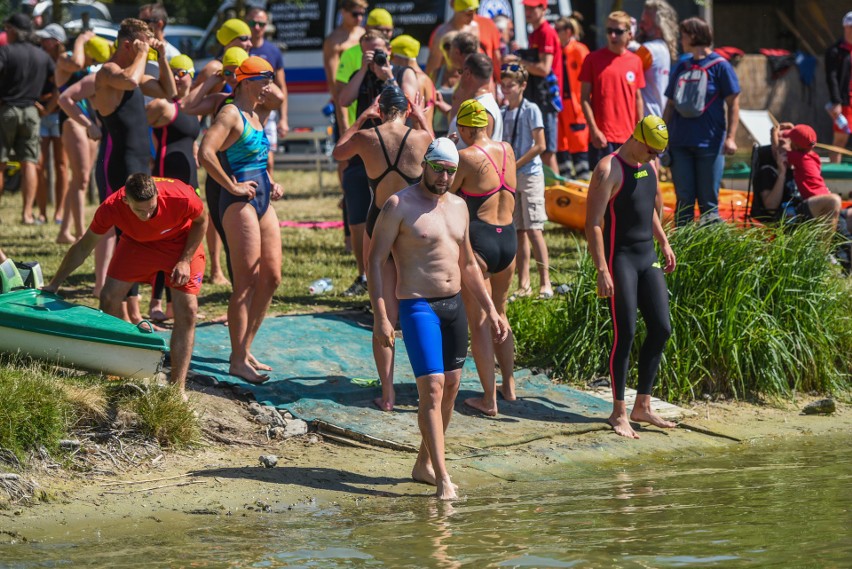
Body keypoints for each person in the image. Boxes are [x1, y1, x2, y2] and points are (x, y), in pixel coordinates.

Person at [368, 137, 508, 500]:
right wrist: (382, 316)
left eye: (451, 171)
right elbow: (375, 261)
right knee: (430, 389)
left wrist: (491, 309)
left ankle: (424, 464)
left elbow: (468, 266)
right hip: (418, 307)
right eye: (439, 168)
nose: (444, 176)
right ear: (425, 164)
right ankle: (444, 478)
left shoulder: (460, 207)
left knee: (451, 388)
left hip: (454, 307)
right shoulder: (399, 205)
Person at [43, 174, 207, 402]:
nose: (147, 215)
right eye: (140, 211)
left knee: (188, 310)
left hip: (179, 243)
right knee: (109, 296)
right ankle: (112, 370)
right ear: (125, 201)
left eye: (151, 208)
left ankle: (176, 390)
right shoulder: (110, 207)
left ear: (158, 195)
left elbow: (201, 221)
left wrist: (185, 260)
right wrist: (54, 283)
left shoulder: (180, 196)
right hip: (137, 245)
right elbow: (83, 247)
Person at [332, 85, 433, 412]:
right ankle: (427, 389)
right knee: (419, 307)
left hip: (378, 220)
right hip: (410, 224)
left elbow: (338, 152)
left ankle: (387, 395)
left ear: (380, 109)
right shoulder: (419, 139)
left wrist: (362, 117)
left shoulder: (367, 137)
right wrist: (421, 120)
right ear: (406, 109)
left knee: (383, 313)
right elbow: (443, 152)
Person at [585, 115, 677, 439]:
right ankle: (618, 412)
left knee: (662, 328)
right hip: (619, 259)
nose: (655, 159)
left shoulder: (648, 167)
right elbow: (593, 223)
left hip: (646, 256)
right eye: (652, 152)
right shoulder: (608, 169)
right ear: (637, 138)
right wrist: (601, 269)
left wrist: (663, 242)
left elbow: (649, 209)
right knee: (626, 332)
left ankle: (643, 405)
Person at [198, 56, 284, 384]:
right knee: (246, 281)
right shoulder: (230, 113)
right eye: (266, 80)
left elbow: (258, 158)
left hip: (261, 196)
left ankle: (245, 348)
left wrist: (271, 182)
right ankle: (236, 359)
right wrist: (231, 184)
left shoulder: (255, 113)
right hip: (238, 202)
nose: (270, 87)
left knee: (272, 276)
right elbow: (205, 153)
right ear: (247, 80)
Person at [92, 18, 177, 324]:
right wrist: (142, 53)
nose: (146, 50)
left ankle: (133, 310)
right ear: (127, 45)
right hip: (120, 163)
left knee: (141, 232)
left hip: (141, 163)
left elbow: (169, 91)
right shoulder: (108, 72)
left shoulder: (134, 74)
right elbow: (129, 80)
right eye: (140, 45)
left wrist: (162, 56)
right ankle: (127, 312)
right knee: (125, 234)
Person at [337, 30, 419, 297]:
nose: (375, 56)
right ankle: (365, 275)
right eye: (369, 52)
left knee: (400, 214)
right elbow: (343, 99)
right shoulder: (361, 74)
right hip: (367, 148)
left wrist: (388, 76)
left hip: (397, 150)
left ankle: (400, 280)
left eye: (379, 50)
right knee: (360, 214)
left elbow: (407, 103)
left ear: (390, 49)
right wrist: (363, 69)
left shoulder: (403, 72)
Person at [450, 99, 517, 416]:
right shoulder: (508, 150)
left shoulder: (466, 156)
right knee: (500, 312)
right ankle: (509, 385)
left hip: (481, 244)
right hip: (509, 242)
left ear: (463, 128)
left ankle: (489, 399)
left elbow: (444, 193)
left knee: (478, 323)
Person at [663, 17, 740, 227]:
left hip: (710, 144)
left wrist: (731, 138)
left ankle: (710, 254)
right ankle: (681, 253)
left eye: (684, 35)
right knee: (684, 202)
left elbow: (734, 104)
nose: (681, 39)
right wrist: (662, 138)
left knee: (708, 203)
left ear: (694, 36)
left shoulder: (721, 66)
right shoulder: (682, 64)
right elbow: (670, 105)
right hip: (680, 144)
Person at [146, 54, 202, 322]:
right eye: (174, 73)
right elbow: (134, 128)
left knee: (184, 242)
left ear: (192, 75)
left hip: (190, 180)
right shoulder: (163, 105)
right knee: (162, 241)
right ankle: (155, 301)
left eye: (184, 73)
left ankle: (173, 304)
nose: (179, 78)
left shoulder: (192, 108)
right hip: (166, 180)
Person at [500, 64, 553, 300]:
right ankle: (524, 284)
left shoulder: (531, 109)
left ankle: (546, 282)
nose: (505, 90)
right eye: (503, 85)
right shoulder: (502, 112)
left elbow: (540, 145)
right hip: (512, 175)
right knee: (519, 231)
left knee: (534, 229)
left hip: (529, 173)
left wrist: (516, 163)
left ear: (522, 86)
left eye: (510, 85)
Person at [0, 13, 56, 225]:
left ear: (13, 30)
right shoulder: (42, 56)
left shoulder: (5, 52)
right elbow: (58, 85)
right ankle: (27, 214)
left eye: (6, 28)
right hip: (32, 112)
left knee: (1, 163)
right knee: (29, 163)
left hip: (7, 110)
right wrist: (48, 109)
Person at [55, 32, 109, 245]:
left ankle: (64, 232)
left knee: (79, 179)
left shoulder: (91, 67)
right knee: (82, 178)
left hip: (90, 124)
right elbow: (76, 61)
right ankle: (80, 235)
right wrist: (81, 39)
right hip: (72, 122)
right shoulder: (66, 59)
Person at [580, 10, 645, 170]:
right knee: (604, 189)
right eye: (609, 31)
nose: (613, 36)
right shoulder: (592, 59)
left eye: (618, 31)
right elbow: (584, 98)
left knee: (631, 184)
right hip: (603, 137)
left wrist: (641, 131)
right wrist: (594, 130)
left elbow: (637, 98)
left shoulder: (636, 61)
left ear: (629, 34)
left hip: (629, 137)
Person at [517, 0, 564, 173]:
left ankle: (556, 196)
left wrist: (518, 61)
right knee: (539, 148)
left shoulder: (546, 32)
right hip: (538, 97)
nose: (528, 11)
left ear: (543, 9)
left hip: (547, 99)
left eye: (532, 8)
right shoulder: (535, 32)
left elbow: (544, 69)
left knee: (547, 152)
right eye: (526, 8)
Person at [779, 123, 849, 230]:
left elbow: (779, 151)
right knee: (844, 237)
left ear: (796, 145)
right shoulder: (814, 156)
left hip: (816, 201)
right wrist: (796, 132)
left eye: (791, 140)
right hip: (826, 197)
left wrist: (774, 133)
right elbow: (803, 141)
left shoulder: (798, 157)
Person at [35, 23, 68, 227]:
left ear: (56, 42)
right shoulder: (41, 59)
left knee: (61, 166)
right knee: (38, 165)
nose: (41, 41)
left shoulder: (65, 62)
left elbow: (60, 90)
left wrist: (47, 107)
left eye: (46, 39)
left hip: (59, 116)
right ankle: (41, 212)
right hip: (43, 115)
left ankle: (59, 211)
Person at [245, 6, 289, 153]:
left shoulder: (273, 51)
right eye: (252, 23)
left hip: (266, 110)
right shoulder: (240, 48)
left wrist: (283, 119)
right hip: (243, 109)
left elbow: (281, 86)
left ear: (267, 25)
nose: (257, 28)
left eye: (261, 24)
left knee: (267, 157)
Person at [322, 0, 367, 132]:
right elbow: (335, 84)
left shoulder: (364, 34)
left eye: (362, 14)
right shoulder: (334, 41)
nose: (359, 18)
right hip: (347, 99)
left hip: (365, 94)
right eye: (355, 14)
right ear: (343, 13)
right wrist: (343, 123)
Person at [555, 15, 590, 179]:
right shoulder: (557, 51)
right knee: (561, 142)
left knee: (579, 141)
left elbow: (589, 79)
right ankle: (566, 179)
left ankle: (583, 178)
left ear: (568, 32)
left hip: (576, 104)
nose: (555, 33)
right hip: (559, 103)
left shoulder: (579, 50)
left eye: (558, 30)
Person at [447, 53, 502, 146]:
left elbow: (480, 151)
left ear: (467, 73)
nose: (460, 77)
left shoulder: (482, 108)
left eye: (460, 71)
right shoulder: (481, 104)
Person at [635, 0, 678, 118]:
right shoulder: (663, 48)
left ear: (659, 27)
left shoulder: (648, 50)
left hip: (647, 120)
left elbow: (625, 75)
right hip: (658, 119)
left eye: (645, 22)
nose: (640, 26)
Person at [425, 0, 480, 80]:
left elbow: (477, 60)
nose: (472, 18)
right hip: (448, 84)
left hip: (469, 82)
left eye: (474, 13)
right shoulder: (442, 33)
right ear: (457, 11)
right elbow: (431, 69)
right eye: (468, 14)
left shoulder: (474, 28)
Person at [390, 35, 437, 128]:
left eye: (392, 57)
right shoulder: (426, 78)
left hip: (419, 138)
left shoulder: (415, 80)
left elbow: (416, 119)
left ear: (401, 57)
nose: (391, 61)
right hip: (428, 136)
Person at [825, 11, 852, 164]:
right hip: (845, 101)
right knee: (841, 139)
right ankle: (836, 171)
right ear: (846, 27)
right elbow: (832, 77)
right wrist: (836, 101)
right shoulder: (835, 51)